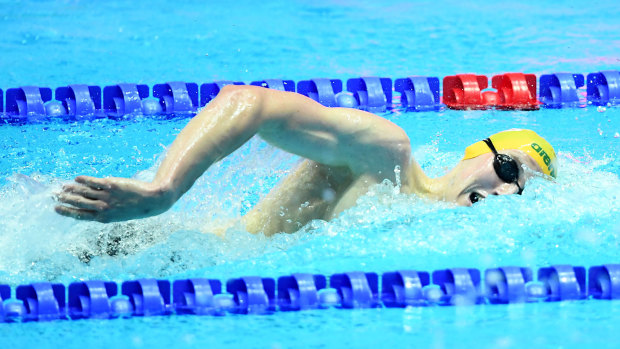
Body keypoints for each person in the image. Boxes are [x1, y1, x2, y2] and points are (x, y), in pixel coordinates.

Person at [55, 85, 557, 236]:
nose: (509, 191)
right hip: (134, 244)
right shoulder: (386, 158)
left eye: (522, 188)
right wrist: (163, 191)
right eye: (510, 169)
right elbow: (249, 102)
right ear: (477, 154)